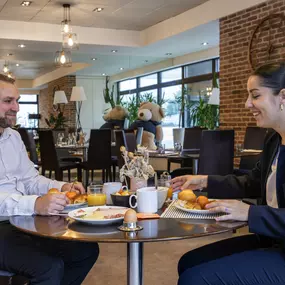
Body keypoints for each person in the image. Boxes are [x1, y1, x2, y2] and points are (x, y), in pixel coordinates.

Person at [171, 63, 285, 285]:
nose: (247, 104)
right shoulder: (274, 140)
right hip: (274, 240)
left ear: (283, 97)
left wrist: (249, 213)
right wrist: (203, 180)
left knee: (194, 280)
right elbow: (252, 182)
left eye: (255, 95)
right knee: (189, 262)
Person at [0, 74, 99, 285]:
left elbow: (30, 180)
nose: (16, 108)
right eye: (8, 101)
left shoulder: (13, 137)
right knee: (49, 268)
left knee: (85, 249)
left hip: (20, 221)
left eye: (16, 100)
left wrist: (62, 185)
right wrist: (35, 203)